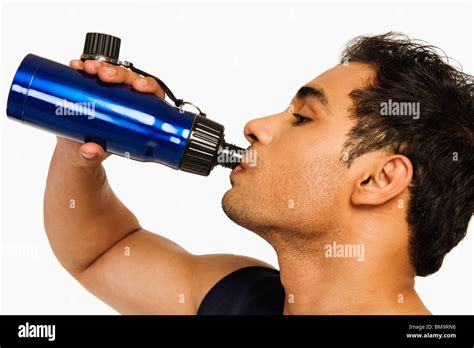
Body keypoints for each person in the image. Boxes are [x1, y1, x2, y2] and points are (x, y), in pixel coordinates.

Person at [44, 32, 473, 315]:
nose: (254, 126)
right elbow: (99, 252)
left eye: (303, 118)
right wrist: (84, 131)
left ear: (377, 180)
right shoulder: (238, 299)